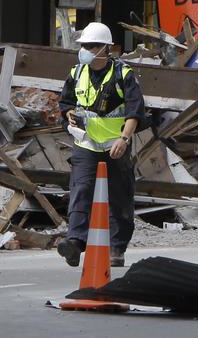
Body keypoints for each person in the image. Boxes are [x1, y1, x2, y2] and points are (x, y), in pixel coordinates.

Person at [57, 22, 145, 267]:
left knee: (119, 197)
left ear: (105, 48)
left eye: (91, 45)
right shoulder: (76, 73)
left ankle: (116, 248)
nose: (85, 49)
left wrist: (124, 139)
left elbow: (135, 111)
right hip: (86, 144)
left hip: (116, 146)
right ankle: (75, 242)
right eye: (84, 45)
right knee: (81, 190)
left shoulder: (122, 75)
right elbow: (65, 103)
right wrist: (69, 116)